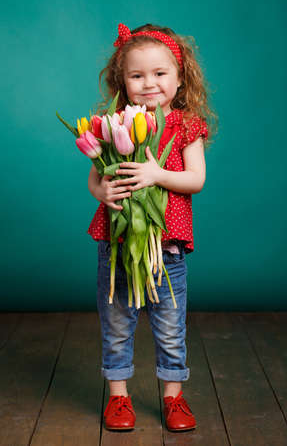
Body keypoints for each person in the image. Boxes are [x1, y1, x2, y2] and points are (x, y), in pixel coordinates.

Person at [87, 23, 217, 432]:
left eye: (160, 74)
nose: (149, 84)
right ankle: (119, 398)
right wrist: (102, 192)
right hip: (119, 242)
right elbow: (95, 174)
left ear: (180, 78)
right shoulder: (114, 122)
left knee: (170, 328)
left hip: (167, 247)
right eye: (137, 75)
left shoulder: (185, 124)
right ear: (122, 81)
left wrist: (157, 173)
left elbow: (195, 179)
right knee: (117, 326)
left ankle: (174, 400)